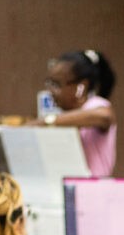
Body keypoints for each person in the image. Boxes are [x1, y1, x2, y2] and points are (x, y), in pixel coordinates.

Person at [35, 49, 117, 177]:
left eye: (57, 84)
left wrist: (47, 122)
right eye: (49, 83)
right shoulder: (65, 114)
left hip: (94, 189)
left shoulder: (94, 105)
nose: (51, 91)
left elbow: (104, 115)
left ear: (81, 87)